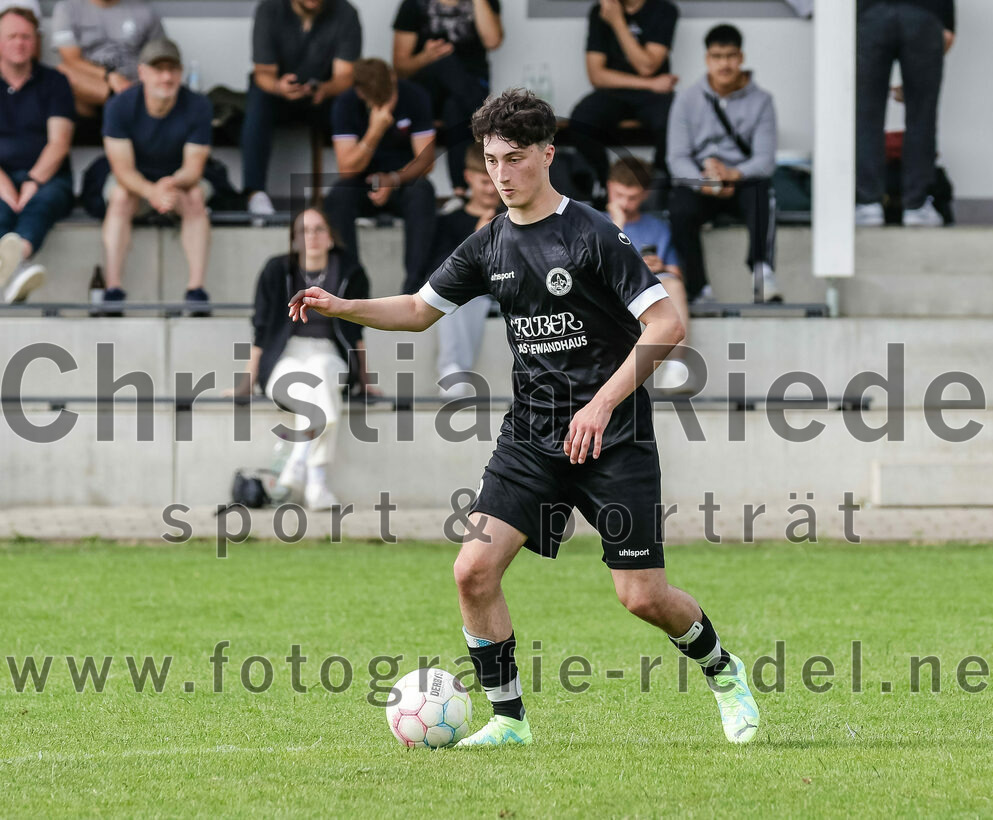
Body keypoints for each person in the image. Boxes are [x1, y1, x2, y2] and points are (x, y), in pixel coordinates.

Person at [289, 89, 760, 747]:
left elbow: (665, 324)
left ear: (547, 154)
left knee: (641, 596)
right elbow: (421, 310)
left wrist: (601, 403)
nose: (501, 175)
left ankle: (723, 669)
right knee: (472, 572)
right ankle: (509, 721)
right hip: (533, 435)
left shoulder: (592, 233)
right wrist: (341, 306)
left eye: (513, 159)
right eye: (490, 161)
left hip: (612, 436)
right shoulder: (490, 244)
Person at [230, 207, 371, 510]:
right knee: (317, 393)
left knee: (321, 372)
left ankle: (297, 461)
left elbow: (357, 329)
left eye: (319, 229)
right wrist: (247, 380)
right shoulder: (276, 270)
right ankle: (316, 482)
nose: (312, 237)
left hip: (328, 352)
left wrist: (365, 378)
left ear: (331, 237)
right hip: (285, 354)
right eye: (304, 231)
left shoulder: (350, 272)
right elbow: (262, 328)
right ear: (294, 239)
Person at [666, 24, 781, 303]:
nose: (724, 64)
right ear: (707, 59)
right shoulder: (686, 99)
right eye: (717, 56)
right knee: (678, 205)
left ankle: (762, 274)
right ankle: (699, 289)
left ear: (741, 57)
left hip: (742, 182)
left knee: (762, 191)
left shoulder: (762, 101)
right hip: (702, 183)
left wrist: (733, 174)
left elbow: (765, 160)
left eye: (730, 56)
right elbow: (676, 157)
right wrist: (704, 182)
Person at [98, 38, 213, 308]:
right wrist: (152, 191)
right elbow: (122, 170)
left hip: (178, 181)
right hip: (136, 182)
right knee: (119, 197)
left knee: (195, 196)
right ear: (141, 72)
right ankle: (113, 289)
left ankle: (196, 291)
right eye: (157, 68)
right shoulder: (119, 106)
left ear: (181, 72)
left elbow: (194, 168)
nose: (165, 76)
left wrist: (171, 184)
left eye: (171, 68)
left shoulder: (198, 105)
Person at [325, 58, 436, 296]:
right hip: (361, 182)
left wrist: (393, 180)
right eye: (377, 100)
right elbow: (347, 169)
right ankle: (351, 283)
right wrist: (375, 131)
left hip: (402, 181)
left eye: (389, 96)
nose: (385, 104)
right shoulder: (345, 104)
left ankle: (415, 288)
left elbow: (426, 161)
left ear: (393, 79)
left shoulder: (415, 96)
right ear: (360, 92)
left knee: (423, 191)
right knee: (337, 195)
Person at [243, 0, 363, 218]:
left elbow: (345, 76)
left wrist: (324, 89)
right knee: (257, 94)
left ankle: (358, 193)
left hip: (323, 99)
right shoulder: (269, 9)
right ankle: (255, 193)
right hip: (278, 98)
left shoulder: (346, 12)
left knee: (354, 97)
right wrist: (279, 87)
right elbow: (263, 72)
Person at [855, 0, 955, 227]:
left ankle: (868, 204)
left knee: (866, 116)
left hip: (871, 14)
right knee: (922, 115)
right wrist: (949, 23)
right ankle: (917, 206)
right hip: (925, 12)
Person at [0, 7, 75, 304]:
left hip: (48, 177)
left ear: (36, 42)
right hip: (1, 178)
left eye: (26, 37)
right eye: (11, 36)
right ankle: (19, 270)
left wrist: (32, 181)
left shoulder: (55, 82)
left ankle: (15, 264)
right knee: (0, 210)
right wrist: (4, 186)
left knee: (44, 202)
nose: (19, 43)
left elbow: (59, 143)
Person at [392, 0, 502, 198]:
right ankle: (490, 120)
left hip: (468, 91)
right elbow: (400, 67)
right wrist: (426, 57)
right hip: (428, 95)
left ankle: (458, 193)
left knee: (454, 108)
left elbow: (493, 41)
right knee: (445, 62)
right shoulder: (413, 4)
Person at [568, 0, 679, 192]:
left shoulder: (664, 10)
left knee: (673, 121)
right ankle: (605, 186)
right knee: (582, 120)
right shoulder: (600, 11)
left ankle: (656, 190)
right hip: (615, 92)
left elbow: (646, 66)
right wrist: (651, 83)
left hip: (653, 96)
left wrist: (618, 21)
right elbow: (596, 75)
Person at [605, 158, 690, 392]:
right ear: (609, 187)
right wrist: (618, 225)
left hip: (647, 290)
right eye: (620, 195)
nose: (626, 203)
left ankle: (676, 366)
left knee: (672, 284)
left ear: (645, 195)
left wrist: (658, 266)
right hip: (608, 291)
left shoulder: (657, 227)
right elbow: (593, 268)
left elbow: (676, 273)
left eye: (633, 197)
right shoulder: (594, 221)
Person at [430, 142, 502, 400]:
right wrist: (476, 238)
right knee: (454, 299)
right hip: (473, 298)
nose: (492, 189)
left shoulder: (515, 217)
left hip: (511, 294)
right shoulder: (450, 222)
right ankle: (454, 373)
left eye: (495, 181)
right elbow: (440, 272)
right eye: (484, 181)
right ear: (468, 177)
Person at [52, 0, 165, 119]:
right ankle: (126, 101)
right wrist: (109, 76)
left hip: (134, 82)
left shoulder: (144, 11)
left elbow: (161, 55)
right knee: (62, 72)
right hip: (94, 83)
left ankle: (129, 101)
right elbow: (71, 60)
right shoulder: (68, 8)